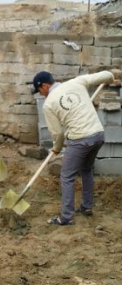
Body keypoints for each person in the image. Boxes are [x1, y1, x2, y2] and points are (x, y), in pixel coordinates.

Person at [32, 70, 114, 226]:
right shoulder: (77, 81)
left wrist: (56, 148)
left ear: (45, 85)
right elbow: (107, 75)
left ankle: (67, 217)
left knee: (67, 176)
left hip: (80, 140)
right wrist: (110, 78)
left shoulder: (49, 104)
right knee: (86, 170)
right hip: (98, 135)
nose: (40, 94)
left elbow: (57, 134)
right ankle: (86, 207)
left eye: (39, 90)